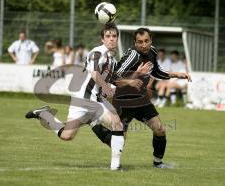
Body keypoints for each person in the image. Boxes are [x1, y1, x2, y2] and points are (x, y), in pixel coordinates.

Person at [25, 23, 151, 171]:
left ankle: (115, 166)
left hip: (96, 100)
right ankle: (45, 115)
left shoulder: (112, 60)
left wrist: (136, 75)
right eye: (108, 36)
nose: (111, 39)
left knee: (118, 125)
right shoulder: (97, 53)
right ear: (102, 40)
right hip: (82, 99)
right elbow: (95, 74)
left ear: (117, 39)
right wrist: (105, 87)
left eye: (114, 36)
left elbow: (116, 80)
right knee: (67, 136)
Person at [91, 27, 191, 168]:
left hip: (141, 100)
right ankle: (95, 125)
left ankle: (158, 163)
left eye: (146, 41)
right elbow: (114, 78)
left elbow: (156, 71)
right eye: (140, 42)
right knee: (120, 139)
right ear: (135, 43)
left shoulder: (152, 51)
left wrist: (176, 74)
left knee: (160, 130)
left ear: (151, 40)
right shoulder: (132, 56)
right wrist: (136, 74)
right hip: (124, 101)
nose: (144, 45)